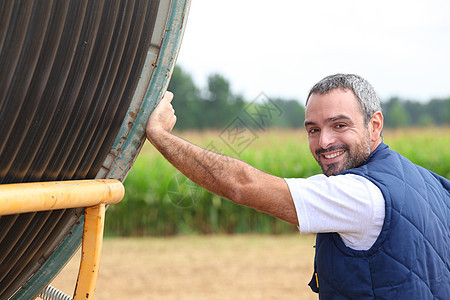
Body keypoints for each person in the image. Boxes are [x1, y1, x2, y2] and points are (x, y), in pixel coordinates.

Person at [146, 74, 449, 299]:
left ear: (375, 124)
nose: (324, 142)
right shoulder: (434, 184)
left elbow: (241, 184)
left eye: (339, 125)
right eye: (313, 130)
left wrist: (159, 135)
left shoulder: (360, 194)